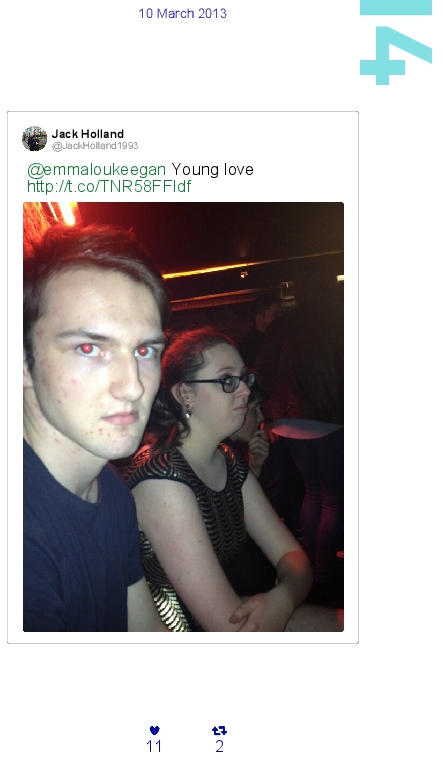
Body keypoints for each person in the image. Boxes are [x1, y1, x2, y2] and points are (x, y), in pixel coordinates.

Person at [125, 327, 343, 632]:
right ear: (185, 394)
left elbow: (294, 558)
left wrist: (283, 598)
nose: (245, 391)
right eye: (227, 380)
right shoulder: (161, 477)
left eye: (243, 378)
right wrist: (284, 597)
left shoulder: (227, 459)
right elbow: (225, 625)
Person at [23, 222, 171, 632]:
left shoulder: (110, 490)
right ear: (21, 363)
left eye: (144, 350)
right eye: (89, 348)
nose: (133, 387)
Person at [256, 267, 344, 588]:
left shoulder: (280, 327)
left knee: (313, 493)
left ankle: (307, 571)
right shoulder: (337, 320)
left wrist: (269, 416)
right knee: (332, 498)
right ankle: (322, 574)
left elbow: (263, 373)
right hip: (326, 417)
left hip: (287, 421)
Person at [239, 292, 281, 369]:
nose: (279, 319)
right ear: (259, 319)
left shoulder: (253, 342)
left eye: (280, 314)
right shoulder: (259, 345)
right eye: (275, 315)